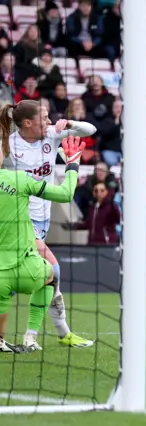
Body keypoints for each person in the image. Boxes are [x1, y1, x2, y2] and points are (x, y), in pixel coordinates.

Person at [0, 101, 95, 351]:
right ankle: (49, 334)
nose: (50, 120)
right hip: (20, 221)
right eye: (44, 117)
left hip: (43, 217)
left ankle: (26, 338)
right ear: (28, 123)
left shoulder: (51, 135)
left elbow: (90, 130)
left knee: (27, 278)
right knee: (52, 270)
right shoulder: (9, 145)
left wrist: (71, 124)